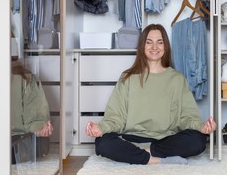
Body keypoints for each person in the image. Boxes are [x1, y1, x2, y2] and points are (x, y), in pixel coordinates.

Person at [86, 24, 216, 165]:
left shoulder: (177, 79)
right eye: (149, 42)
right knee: (102, 142)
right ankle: (155, 159)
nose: (155, 47)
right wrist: (101, 128)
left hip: (166, 139)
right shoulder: (128, 77)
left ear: (165, 46)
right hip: (131, 139)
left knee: (198, 140)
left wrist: (201, 126)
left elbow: (187, 117)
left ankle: (143, 153)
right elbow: (116, 117)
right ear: (142, 46)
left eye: (159, 42)